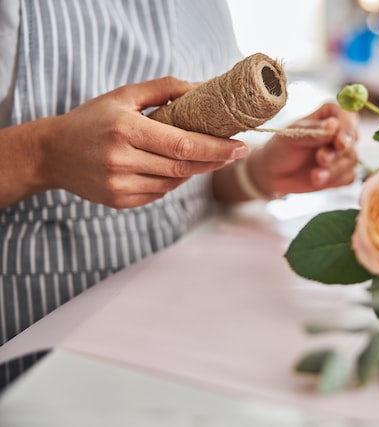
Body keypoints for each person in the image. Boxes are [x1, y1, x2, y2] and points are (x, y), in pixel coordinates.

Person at [0, 0, 358, 387]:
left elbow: (191, 173)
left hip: (189, 327)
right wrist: (44, 154)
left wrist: (257, 172)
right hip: (41, 344)